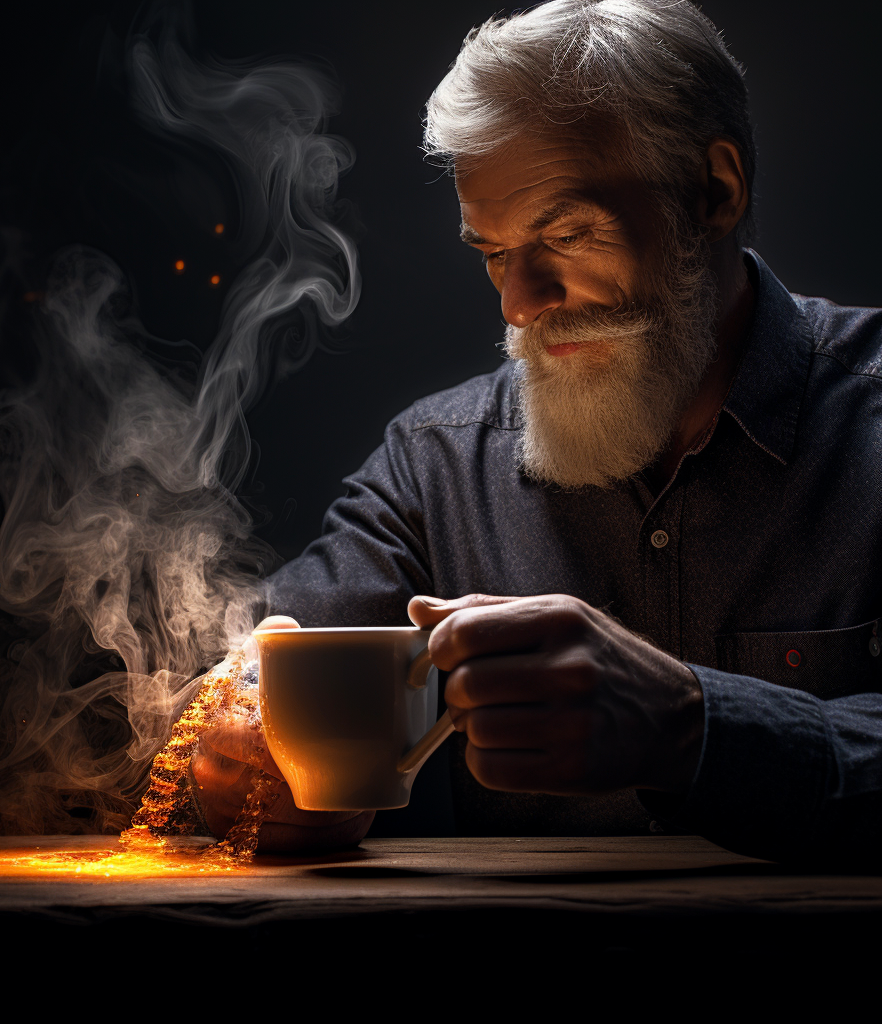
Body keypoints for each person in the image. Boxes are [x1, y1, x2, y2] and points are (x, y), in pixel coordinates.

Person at [191, 0, 881, 863]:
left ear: (716, 190)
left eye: (567, 233)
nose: (519, 304)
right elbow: (241, 683)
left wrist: (692, 729)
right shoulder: (435, 464)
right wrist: (240, 748)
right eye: (492, 253)